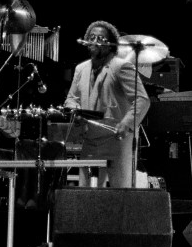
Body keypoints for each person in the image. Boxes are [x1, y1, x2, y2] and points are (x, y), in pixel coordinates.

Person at [64, 21, 150, 188]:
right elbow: (71, 98)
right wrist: (74, 110)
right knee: (86, 192)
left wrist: (126, 123)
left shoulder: (122, 66)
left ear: (111, 45)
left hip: (116, 139)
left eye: (100, 38)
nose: (94, 40)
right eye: (91, 37)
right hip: (90, 138)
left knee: (119, 192)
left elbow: (142, 99)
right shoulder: (81, 69)